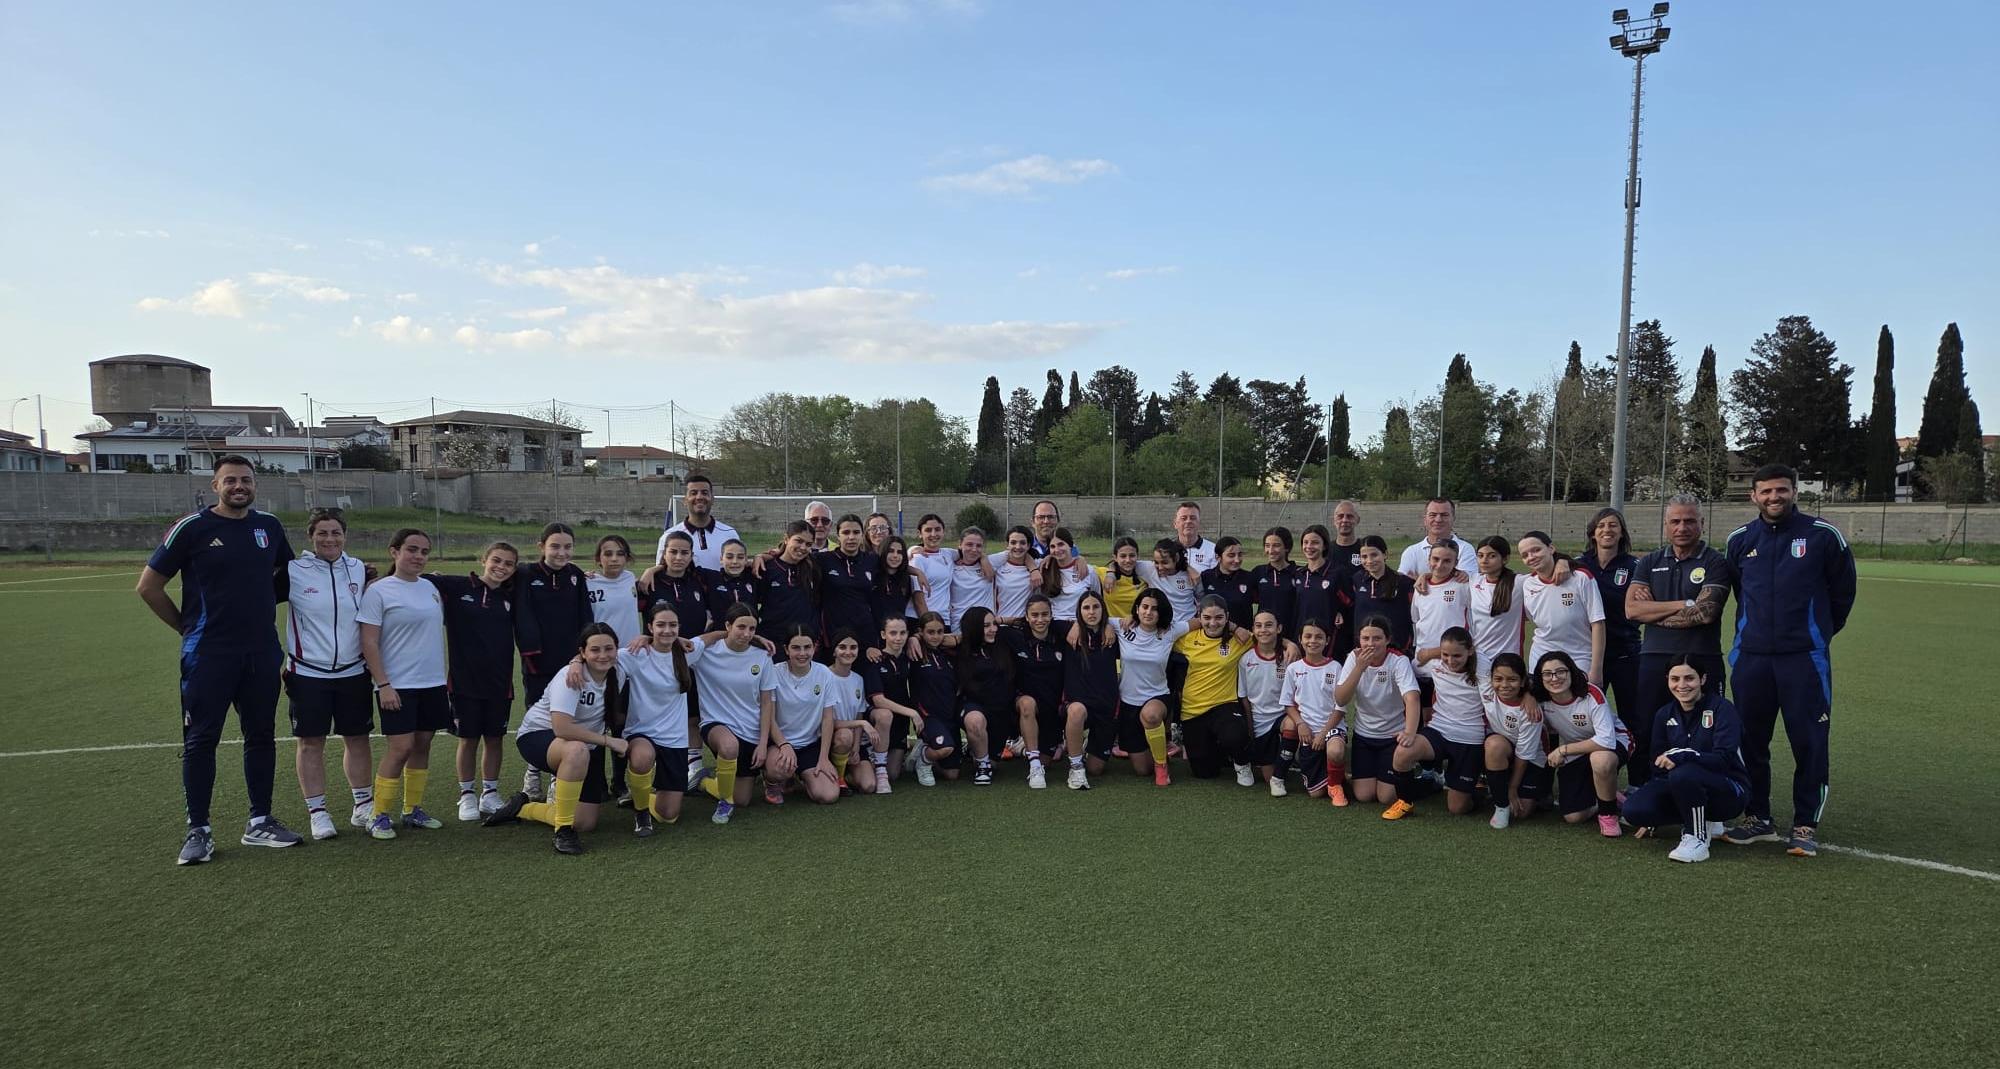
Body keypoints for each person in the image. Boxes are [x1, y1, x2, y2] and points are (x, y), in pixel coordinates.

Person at [137, 455, 302, 863]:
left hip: (262, 651)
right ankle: (199, 830)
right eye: (230, 481)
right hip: (209, 654)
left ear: (255, 485)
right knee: (200, 740)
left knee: (261, 735)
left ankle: (260, 821)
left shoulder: (269, 527)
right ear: (215, 486)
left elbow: (289, 577)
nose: (238, 486)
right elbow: (149, 587)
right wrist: (184, 628)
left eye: (245, 480)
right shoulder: (191, 528)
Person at [1719, 463, 1857, 857]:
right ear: (1754, 496)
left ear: (1794, 491)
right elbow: (1739, 591)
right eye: (1765, 492)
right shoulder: (1740, 539)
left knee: (1809, 741)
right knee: (1749, 740)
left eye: (1781, 490)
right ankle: (1757, 817)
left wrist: (1818, 633)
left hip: (1804, 659)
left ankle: (1804, 824)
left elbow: (1842, 594)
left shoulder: (1822, 536)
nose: (1773, 497)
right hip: (1752, 659)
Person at [482, 623, 626, 855]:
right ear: (582, 652)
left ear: (617, 649)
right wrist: (610, 741)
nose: (603, 655)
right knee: (577, 750)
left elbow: (655, 644)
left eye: (609, 649)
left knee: (586, 823)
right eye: (595, 650)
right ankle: (563, 831)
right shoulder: (569, 677)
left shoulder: (618, 668)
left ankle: (522, 809)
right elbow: (562, 728)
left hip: (585, 745)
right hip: (539, 736)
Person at [1623, 494, 1732, 790]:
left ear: (1702, 523)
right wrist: (1684, 603)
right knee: (1647, 726)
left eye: (1689, 521)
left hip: (1702, 657)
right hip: (1654, 657)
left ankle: (1705, 792)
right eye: (1675, 521)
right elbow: (1632, 610)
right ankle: (1643, 788)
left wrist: (1655, 612)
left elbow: (1706, 613)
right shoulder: (1649, 562)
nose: (1682, 527)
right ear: (1665, 525)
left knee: (1706, 730)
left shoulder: (1715, 561)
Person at [282, 507, 374, 840]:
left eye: (335, 532)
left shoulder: (360, 569)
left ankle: (363, 805)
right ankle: (318, 812)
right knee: (310, 742)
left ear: (344, 536)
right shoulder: (293, 571)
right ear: (311, 536)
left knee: (358, 739)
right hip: (308, 672)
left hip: (353, 671)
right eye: (322, 532)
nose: (329, 538)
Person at [357, 528, 451, 840]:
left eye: (424, 551)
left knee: (423, 744)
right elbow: (369, 642)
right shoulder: (379, 591)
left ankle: (412, 810)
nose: (419, 557)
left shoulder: (431, 588)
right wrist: (383, 684)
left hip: (432, 682)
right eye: (412, 550)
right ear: (394, 552)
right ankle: (378, 814)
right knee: (401, 747)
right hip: (397, 684)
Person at [1621, 657, 1751, 863]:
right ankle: (1701, 817)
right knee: (1635, 810)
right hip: (1681, 785)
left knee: (1685, 773)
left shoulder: (1722, 709)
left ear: (1703, 679)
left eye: (1689, 678)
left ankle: (1697, 837)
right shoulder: (1664, 714)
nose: (1681, 685)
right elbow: (1657, 764)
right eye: (1675, 679)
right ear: (1667, 680)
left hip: (1728, 790)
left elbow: (1724, 759)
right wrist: (1652, 815)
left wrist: (1685, 755)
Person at [428, 541, 520, 823]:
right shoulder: (456, 587)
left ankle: (489, 793)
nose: (501, 567)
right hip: (464, 681)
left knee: (495, 739)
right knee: (468, 740)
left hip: (499, 682)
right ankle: (466, 794)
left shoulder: (512, 596)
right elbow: (417, 577)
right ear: (483, 559)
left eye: (508, 563)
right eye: (496, 560)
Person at [513, 522, 591, 802]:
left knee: (569, 717)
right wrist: (530, 654)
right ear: (541, 547)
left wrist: (582, 657)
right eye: (555, 546)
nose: (561, 552)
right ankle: (534, 771)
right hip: (538, 663)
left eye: (567, 546)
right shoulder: (525, 574)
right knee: (540, 719)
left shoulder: (576, 576)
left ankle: (559, 778)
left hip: (572, 664)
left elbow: (586, 619)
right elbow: (520, 613)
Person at [605, 602, 697, 836]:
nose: (667, 630)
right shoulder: (636, 654)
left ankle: (642, 795)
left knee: (669, 815)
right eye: (660, 625)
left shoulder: (687, 652)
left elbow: (719, 636)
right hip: (642, 732)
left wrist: (756, 639)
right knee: (642, 757)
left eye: (673, 625)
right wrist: (576, 662)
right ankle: (641, 812)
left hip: (674, 739)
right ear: (649, 627)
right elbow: (598, 653)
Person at [1383, 627, 1485, 819]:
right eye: (1445, 654)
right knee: (1403, 752)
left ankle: (1476, 790)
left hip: (1470, 739)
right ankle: (1405, 801)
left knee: (1457, 808)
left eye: (1457, 655)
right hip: (1439, 730)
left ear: (1470, 651)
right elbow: (1415, 663)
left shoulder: (1484, 666)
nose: (1450, 661)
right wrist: (1432, 653)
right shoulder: (1435, 663)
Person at [688, 602, 773, 824]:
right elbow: (682, 646)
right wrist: (718, 634)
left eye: (752, 629)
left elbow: (766, 703)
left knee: (743, 799)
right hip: (716, 724)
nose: (746, 634)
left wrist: (763, 744)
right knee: (729, 746)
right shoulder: (706, 652)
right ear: (728, 625)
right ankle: (725, 802)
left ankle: (704, 781)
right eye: (741, 627)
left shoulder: (762, 657)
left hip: (750, 731)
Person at [1531, 650, 1630, 838]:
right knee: (1573, 816)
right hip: (1578, 748)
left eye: (1561, 671)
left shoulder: (1590, 693)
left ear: (1571, 672)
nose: (1555, 678)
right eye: (1547, 674)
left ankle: (1608, 815)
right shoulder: (1541, 700)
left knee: (1600, 759)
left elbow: (1606, 740)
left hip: (1614, 742)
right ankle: (1608, 795)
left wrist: (1563, 750)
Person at [1172, 595, 1267, 784]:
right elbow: (1160, 636)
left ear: (1227, 617)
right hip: (1192, 710)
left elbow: (1268, 639)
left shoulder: (1238, 639)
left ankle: (1242, 763)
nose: (1213, 623)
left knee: (1234, 736)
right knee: (1204, 772)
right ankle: (1219, 750)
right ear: (1199, 617)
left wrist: (1289, 645)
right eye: (1207, 618)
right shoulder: (1187, 639)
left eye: (1218, 618)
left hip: (1225, 704)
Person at [1335, 616, 1421, 811]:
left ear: (1387, 639)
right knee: (1364, 796)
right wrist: (1359, 668)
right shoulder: (1353, 658)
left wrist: (1409, 732)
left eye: (1377, 638)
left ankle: (1415, 780)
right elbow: (1341, 699)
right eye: (1365, 638)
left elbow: (1412, 698)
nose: (1370, 644)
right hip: (1364, 736)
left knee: (1386, 797)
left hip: (1391, 737)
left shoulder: (1398, 661)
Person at [1107, 588, 1190, 786]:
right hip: (1128, 703)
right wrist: (1107, 627)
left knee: (1151, 716)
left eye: (1154, 609)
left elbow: (1200, 621)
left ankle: (1162, 766)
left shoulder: (1170, 630)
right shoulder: (1123, 626)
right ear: (1137, 609)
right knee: (1142, 770)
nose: (1148, 612)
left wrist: (1234, 627)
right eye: (1144, 607)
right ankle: (1158, 750)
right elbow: (1092, 618)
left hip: (1158, 696)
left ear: (1161, 613)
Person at [759, 625, 840, 805]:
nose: (802, 653)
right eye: (796, 648)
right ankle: (772, 781)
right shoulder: (774, 672)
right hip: (780, 743)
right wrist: (784, 744)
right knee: (779, 768)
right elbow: (768, 716)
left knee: (829, 795)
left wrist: (824, 758)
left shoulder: (824, 673)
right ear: (786, 649)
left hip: (809, 745)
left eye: (807, 647)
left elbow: (828, 718)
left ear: (814, 648)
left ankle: (800, 775)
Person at [1581, 508, 1641, 745]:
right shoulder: (1580, 564)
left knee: (1633, 715)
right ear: (1593, 533)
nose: (1607, 530)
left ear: (1622, 532)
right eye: (1601, 525)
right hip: (1589, 653)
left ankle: (1637, 778)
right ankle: (1587, 776)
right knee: (1587, 717)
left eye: (1613, 525)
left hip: (1626, 652)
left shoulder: (1635, 565)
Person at [1518, 530, 1606, 687]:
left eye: (1536, 550)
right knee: (1543, 708)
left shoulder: (1581, 578)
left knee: (1578, 708)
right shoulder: (1528, 584)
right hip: (1541, 656)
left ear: (1551, 548)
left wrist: (1596, 670)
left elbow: (1598, 623)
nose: (1531, 557)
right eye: (1525, 555)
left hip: (1579, 658)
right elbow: (1535, 620)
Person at [1059, 590, 1121, 790]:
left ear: (1103, 610)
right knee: (1077, 711)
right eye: (1086, 608)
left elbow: (1133, 621)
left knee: (1095, 769)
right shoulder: (1068, 633)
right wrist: (1076, 624)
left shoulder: (1113, 636)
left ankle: (1082, 746)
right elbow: (1036, 621)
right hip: (1077, 704)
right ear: (1079, 611)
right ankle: (1076, 767)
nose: (1091, 612)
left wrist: (1111, 625)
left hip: (1105, 707)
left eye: (1096, 607)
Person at [1280, 619, 1347, 805]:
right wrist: (1301, 724)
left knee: (1335, 750)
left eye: (1319, 637)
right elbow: (1288, 703)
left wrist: (1324, 733)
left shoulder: (1336, 667)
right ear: (1300, 639)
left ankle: (1336, 786)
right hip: (1307, 732)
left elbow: (1340, 708)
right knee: (1316, 794)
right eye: (1308, 636)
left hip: (1331, 729)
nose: (1313, 641)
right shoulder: (1294, 668)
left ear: (1327, 641)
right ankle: (1333, 776)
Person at [1005, 595, 1067, 788]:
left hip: (1050, 709)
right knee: (1027, 703)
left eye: (1044, 614)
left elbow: (1088, 624)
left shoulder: (1062, 635)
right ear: (1026, 616)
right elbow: (980, 628)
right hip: (1021, 705)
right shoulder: (1014, 636)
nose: (1040, 619)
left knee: (1047, 761)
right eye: (1034, 615)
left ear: (1051, 615)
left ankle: (1024, 748)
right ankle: (1033, 766)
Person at [1480, 652, 1547, 829]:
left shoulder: (1531, 712)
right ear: (1491, 679)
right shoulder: (1486, 688)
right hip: (1503, 748)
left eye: (1512, 679)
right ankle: (1500, 805)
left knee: (1521, 812)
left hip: (1530, 759)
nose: (1504, 685)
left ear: (1523, 681)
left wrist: (1513, 788)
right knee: (1494, 745)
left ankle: (1507, 786)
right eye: (1498, 679)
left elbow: (1524, 755)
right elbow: (1473, 655)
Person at [908, 611, 970, 786]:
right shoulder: (914, 652)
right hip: (927, 716)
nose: (935, 636)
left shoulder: (949, 653)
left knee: (952, 774)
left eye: (940, 631)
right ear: (921, 632)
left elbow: (974, 637)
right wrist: (913, 638)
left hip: (949, 716)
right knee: (945, 748)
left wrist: (957, 639)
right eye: (930, 632)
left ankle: (924, 749)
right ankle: (923, 759)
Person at [1408, 542, 1471, 711]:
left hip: (1450, 666)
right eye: (1435, 559)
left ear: (1455, 563)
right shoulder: (1420, 587)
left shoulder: (1463, 585)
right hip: (1422, 664)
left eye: (1447, 561)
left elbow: (1472, 627)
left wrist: (1433, 653)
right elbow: (1418, 621)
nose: (1440, 565)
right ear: (1428, 559)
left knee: (1447, 717)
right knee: (1423, 718)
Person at [954, 606, 1011, 784]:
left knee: (994, 762)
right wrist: (915, 638)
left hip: (1001, 710)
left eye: (994, 624)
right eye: (986, 625)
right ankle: (982, 766)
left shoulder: (1003, 644)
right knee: (975, 721)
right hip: (974, 706)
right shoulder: (960, 650)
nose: (993, 629)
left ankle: (977, 751)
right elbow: (930, 637)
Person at [1238, 611, 1289, 794]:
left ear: (1279, 628)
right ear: (1253, 630)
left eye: (1269, 625)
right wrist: (1250, 728)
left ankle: (1295, 758)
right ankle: (1278, 763)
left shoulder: (1288, 657)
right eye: (1258, 626)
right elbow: (1244, 698)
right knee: (1268, 776)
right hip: (1260, 721)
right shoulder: (1246, 659)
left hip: (1284, 716)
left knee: (1291, 726)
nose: (1263, 630)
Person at [865, 615, 919, 789]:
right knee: (884, 714)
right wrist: (912, 712)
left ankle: (914, 752)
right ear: (883, 635)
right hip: (879, 719)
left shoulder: (909, 658)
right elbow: (878, 700)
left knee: (894, 774)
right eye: (893, 633)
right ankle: (875, 762)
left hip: (900, 724)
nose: (898, 638)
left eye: (902, 633)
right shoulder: (875, 660)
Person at [817, 515, 882, 652]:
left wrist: (917, 572)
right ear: (838, 536)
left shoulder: (872, 560)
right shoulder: (823, 560)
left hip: (865, 634)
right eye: (846, 533)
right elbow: (792, 556)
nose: (851, 537)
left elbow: (897, 564)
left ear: (862, 535)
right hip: (834, 634)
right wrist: (763, 557)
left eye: (856, 532)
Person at [824, 629, 877, 794]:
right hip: (830, 739)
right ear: (834, 651)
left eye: (853, 647)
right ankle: (838, 777)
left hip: (851, 740)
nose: (848, 652)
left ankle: (846, 774)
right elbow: (828, 721)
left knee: (869, 785)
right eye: (842, 647)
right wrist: (861, 723)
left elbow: (859, 713)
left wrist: (855, 747)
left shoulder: (858, 679)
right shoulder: (823, 676)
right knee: (844, 734)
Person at [755, 521, 821, 649]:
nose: (803, 547)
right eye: (798, 541)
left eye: (808, 544)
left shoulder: (814, 567)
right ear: (786, 539)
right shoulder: (767, 568)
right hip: (773, 643)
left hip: (804, 645)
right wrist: (758, 557)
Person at [656, 472, 740, 571]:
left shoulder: (729, 533)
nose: (699, 497)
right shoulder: (669, 536)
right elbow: (661, 571)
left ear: (712, 499)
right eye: (693, 493)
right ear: (685, 500)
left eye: (705, 493)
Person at [1466, 536, 1525, 675]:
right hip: (1478, 659)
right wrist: (1425, 576)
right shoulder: (1473, 580)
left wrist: (1562, 562)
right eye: (1480, 556)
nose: (1484, 560)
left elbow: (1548, 571)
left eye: (1492, 556)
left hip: (1508, 661)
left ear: (1505, 559)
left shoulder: (1519, 582)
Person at [1348, 535, 1414, 654]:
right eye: (1364, 556)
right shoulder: (1357, 580)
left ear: (1385, 554)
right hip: (1365, 649)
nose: (1369, 561)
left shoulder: (1404, 583)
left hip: (1397, 651)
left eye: (1374, 555)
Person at [1291, 524, 1344, 657]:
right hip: (1302, 637)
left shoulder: (1336, 573)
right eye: (1305, 542)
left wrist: (1341, 612)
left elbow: (1349, 602)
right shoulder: (1298, 574)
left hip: (1326, 639)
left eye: (1315, 542)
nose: (1309, 546)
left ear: (1324, 545)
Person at [1397, 498, 1477, 578]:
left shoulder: (1465, 549)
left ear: (1453, 519)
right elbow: (1403, 582)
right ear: (1425, 519)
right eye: (1433, 515)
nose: (1438, 520)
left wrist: (1423, 577)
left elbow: (1463, 581)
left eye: (1444, 515)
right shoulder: (1411, 552)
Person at [1036, 527, 1100, 628]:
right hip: (1053, 626)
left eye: (1061, 544)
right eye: (1052, 546)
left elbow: (1098, 601)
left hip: (1082, 625)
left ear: (1070, 545)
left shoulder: (1088, 570)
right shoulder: (1044, 569)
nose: (1057, 550)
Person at [586, 534, 643, 647]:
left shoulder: (630, 577)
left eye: (620, 554)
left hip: (631, 650)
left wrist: (653, 569)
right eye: (608, 554)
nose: (614, 558)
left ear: (627, 558)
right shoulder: (587, 583)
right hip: (602, 651)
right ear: (598, 559)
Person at [909, 514, 957, 630]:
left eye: (937, 529)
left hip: (943, 619)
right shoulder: (917, 559)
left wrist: (983, 558)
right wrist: (928, 626)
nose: (933, 534)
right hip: (923, 621)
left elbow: (969, 551)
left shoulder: (948, 554)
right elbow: (918, 599)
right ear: (920, 534)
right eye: (928, 530)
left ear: (943, 532)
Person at [945, 527, 998, 631]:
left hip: (986, 627)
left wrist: (984, 558)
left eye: (979, 546)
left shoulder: (992, 562)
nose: (974, 549)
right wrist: (914, 549)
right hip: (959, 626)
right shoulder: (950, 565)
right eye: (969, 544)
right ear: (960, 544)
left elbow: (1016, 553)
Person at [1198, 536, 1257, 630]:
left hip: (1242, 638)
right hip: (1213, 636)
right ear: (1218, 557)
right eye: (1231, 555)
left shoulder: (1249, 578)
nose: (1237, 560)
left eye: (1240, 554)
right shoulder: (1206, 577)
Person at [1136, 538, 1200, 624]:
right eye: (1156, 562)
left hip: (1188, 625)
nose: (1160, 567)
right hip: (1164, 626)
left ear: (1176, 558)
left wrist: (1187, 567)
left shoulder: (1190, 575)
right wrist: (1111, 573)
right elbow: (1122, 563)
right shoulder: (1150, 569)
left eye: (1165, 562)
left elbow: (1202, 601)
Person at [1251, 526, 1300, 639]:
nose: (1271, 550)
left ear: (1287, 547)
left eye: (1276, 545)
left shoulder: (1299, 573)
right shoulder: (1258, 572)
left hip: (1292, 635)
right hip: (1265, 635)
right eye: (1267, 546)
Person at [873, 534, 928, 632]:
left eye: (899, 552)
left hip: (897, 635)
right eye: (890, 551)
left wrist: (918, 572)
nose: (895, 555)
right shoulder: (873, 576)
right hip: (874, 633)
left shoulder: (906, 579)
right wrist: (917, 571)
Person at [988, 526, 1038, 625]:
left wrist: (1078, 560)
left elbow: (1055, 560)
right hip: (1001, 625)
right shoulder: (998, 567)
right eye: (1013, 542)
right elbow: (981, 558)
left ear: (1028, 546)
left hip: (1025, 625)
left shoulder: (1037, 565)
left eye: (1022, 543)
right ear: (1007, 545)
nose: (1018, 547)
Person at [1097, 536, 1145, 620]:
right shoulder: (1103, 573)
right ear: (1115, 557)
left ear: (1138, 556)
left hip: (1136, 626)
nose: (1128, 560)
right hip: (1111, 627)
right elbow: (1078, 564)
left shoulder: (1145, 577)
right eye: (1123, 556)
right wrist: (1111, 573)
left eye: (1132, 555)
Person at [1171, 500, 1219, 575]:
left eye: (1193, 518)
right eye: (1183, 518)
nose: (1188, 521)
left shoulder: (1213, 550)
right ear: (1175, 524)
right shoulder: (1167, 549)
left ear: (1199, 523)